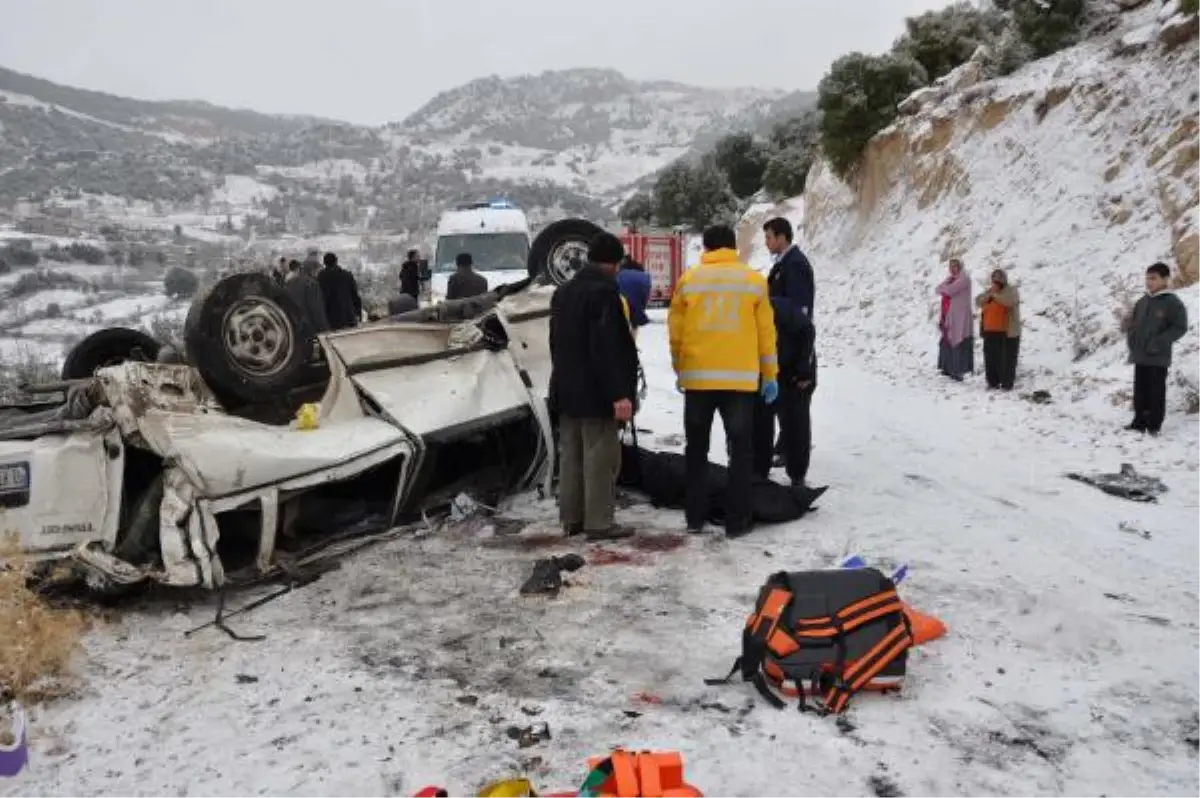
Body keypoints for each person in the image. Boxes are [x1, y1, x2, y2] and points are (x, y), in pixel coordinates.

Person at [669, 225, 778, 538]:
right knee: (741, 452)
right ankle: (737, 521)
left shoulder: (689, 280)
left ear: (705, 247)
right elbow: (766, 335)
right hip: (740, 384)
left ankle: (695, 518)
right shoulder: (754, 282)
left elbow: (675, 332)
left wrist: (680, 367)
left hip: (698, 381)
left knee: (696, 450)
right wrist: (769, 375)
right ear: (734, 247)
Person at [548, 232, 640, 541]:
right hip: (597, 393)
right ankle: (599, 523)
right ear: (613, 264)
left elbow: (555, 345)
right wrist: (619, 394)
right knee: (600, 459)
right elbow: (606, 348)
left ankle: (571, 518)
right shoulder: (603, 295)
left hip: (567, 389)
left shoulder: (562, 293)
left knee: (571, 457)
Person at [755, 217, 816, 487]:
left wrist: (803, 364)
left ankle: (797, 475)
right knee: (780, 414)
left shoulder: (796, 266)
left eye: (769, 237)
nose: (767, 242)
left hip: (794, 355)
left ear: (782, 237)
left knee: (796, 418)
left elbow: (800, 317)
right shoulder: (783, 266)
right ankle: (776, 458)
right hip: (781, 353)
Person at [1123, 261, 1189, 435]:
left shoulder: (1173, 302)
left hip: (1158, 356)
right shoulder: (1142, 302)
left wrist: (1159, 342)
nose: (1149, 282)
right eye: (1147, 278)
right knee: (1140, 390)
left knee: (1156, 391)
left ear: (1165, 279)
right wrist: (1132, 339)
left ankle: (1153, 425)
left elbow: (1179, 327)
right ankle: (1139, 422)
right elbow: (1133, 324)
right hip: (1140, 354)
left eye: (1153, 278)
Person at [976, 268, 1022, 390]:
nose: (996, 282)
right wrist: (990, 294)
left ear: (1004, 280)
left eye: (999, 279)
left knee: (1006, 359)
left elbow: (1008, 301)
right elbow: (978, 300)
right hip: (989, 331)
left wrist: (993, 295)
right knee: (991, 358)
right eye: (994, 280)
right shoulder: (990, 292)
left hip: (1007, 332)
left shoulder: (1011, 290)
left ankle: (1007, 383)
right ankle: (992, 382)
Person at [937, 258, 974, 381]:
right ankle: (947, 368)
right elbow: (938, 289)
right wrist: (945, 288)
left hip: (960, 316)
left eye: (955, 266)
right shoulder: (950, 279)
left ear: (960, 267)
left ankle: (958, 371)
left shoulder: (964, 279)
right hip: (948, 314)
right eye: (950, 266)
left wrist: (945, 288)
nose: (952, 269)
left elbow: (948, 290)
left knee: (958, 340)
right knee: (947, 340)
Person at [317, 252, 363, 331]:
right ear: (336, 261)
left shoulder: (321, 277)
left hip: (331, 317)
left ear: (324, 263)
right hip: (348, 315)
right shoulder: (347, 275)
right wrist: (358, 313)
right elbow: (355, 295)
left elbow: (320, 297)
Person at [284, 259, 330, 333]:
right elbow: (316, 309)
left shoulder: (289, 283)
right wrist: (324, 329)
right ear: (312, 270)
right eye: (318, 271)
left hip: (293, 328)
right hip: (309, 328)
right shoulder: (311, 284)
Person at [616, 255, 652, 340]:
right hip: (640, 290)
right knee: (635, 320)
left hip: (624, 293)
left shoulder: (621, 270)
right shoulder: (639, 269)